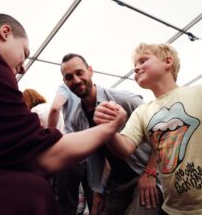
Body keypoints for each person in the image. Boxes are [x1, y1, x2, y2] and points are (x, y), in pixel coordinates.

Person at [0, 13, 126, 215]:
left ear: (91, 71)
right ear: (5, 32)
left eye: (79, 73)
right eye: (25, 53)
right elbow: (43, 157)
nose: (24, 67)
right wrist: (110, 127)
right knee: (33, 191)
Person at [94, 43, 202, 214]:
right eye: (135, 66)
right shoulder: (142, 111)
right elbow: (124, 149)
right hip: (173, 209)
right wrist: (110, 127)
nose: (136, 68)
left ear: (168, 61)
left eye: (143, 61)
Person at [60, 53, 162, 215]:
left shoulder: (124, 99)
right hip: (117, 184)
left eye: (80, 73)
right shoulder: (75, 120)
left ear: (90, 71)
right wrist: (98, 193)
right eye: (69, 77)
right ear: (65, 82)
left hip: (145, 175)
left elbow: (162, 131)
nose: (76, 80)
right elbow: (97, 158)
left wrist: (150, 172)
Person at [48, 84, 93, 215]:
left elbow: (55, 108)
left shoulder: (65, 87)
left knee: (67, 204)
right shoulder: (90, 90)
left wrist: (50, 136)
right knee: (94, 200)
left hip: (71, 152)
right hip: (91, 151)